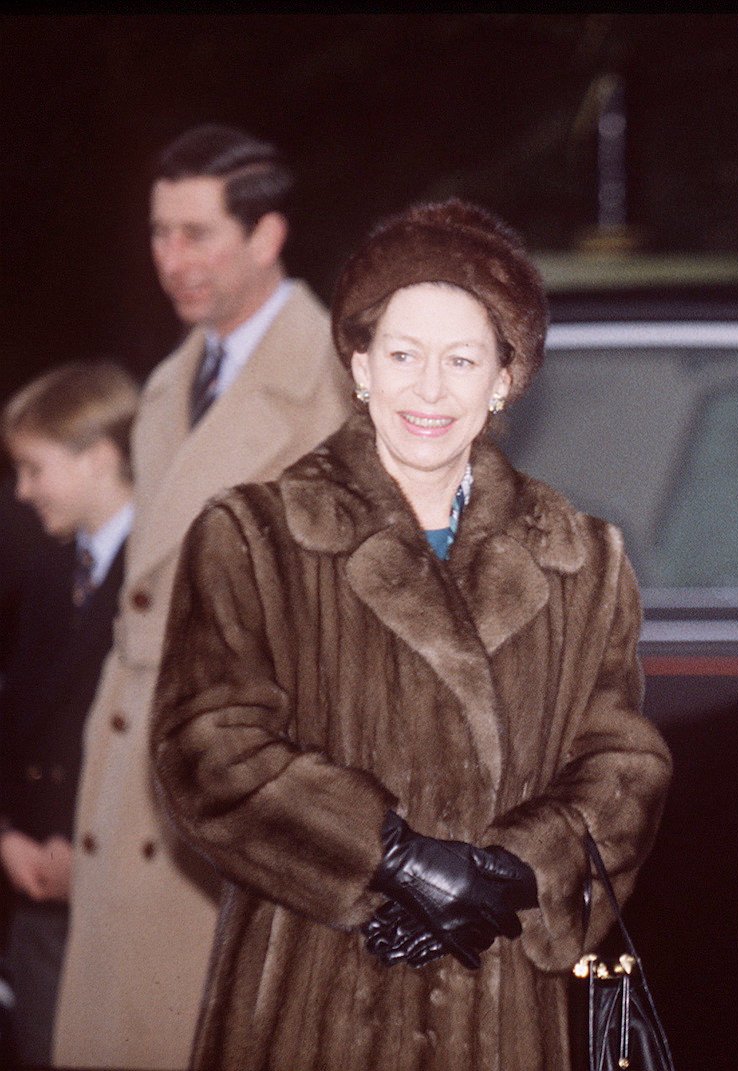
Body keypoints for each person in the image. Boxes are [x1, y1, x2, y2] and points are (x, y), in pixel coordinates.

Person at [149, 199, 672, 1071]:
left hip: (501, 1001)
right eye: (403, 355)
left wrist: (513, 874)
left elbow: (624, 764)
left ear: (504, 379)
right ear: (359, 365)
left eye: (462, 360)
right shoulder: (255, 535)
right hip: (308, 992)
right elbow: (208, 746)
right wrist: (391, 858)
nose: (430, 390)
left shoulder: (582, 557)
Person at [51, 125, 352, 1070]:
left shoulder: (335, 386)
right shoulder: (169, 384)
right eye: (158, 233)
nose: (171, 259)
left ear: (266, 237)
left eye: (197, 234)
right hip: (128, 792)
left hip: (226, 803)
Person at [0, 362, 138, 1068]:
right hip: (36, 901)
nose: (21, 491)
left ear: (99, 457)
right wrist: (7, 838)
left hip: (126, 904)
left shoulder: (166, 569)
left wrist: (91, 863)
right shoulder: (46, 572)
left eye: (33, 469)